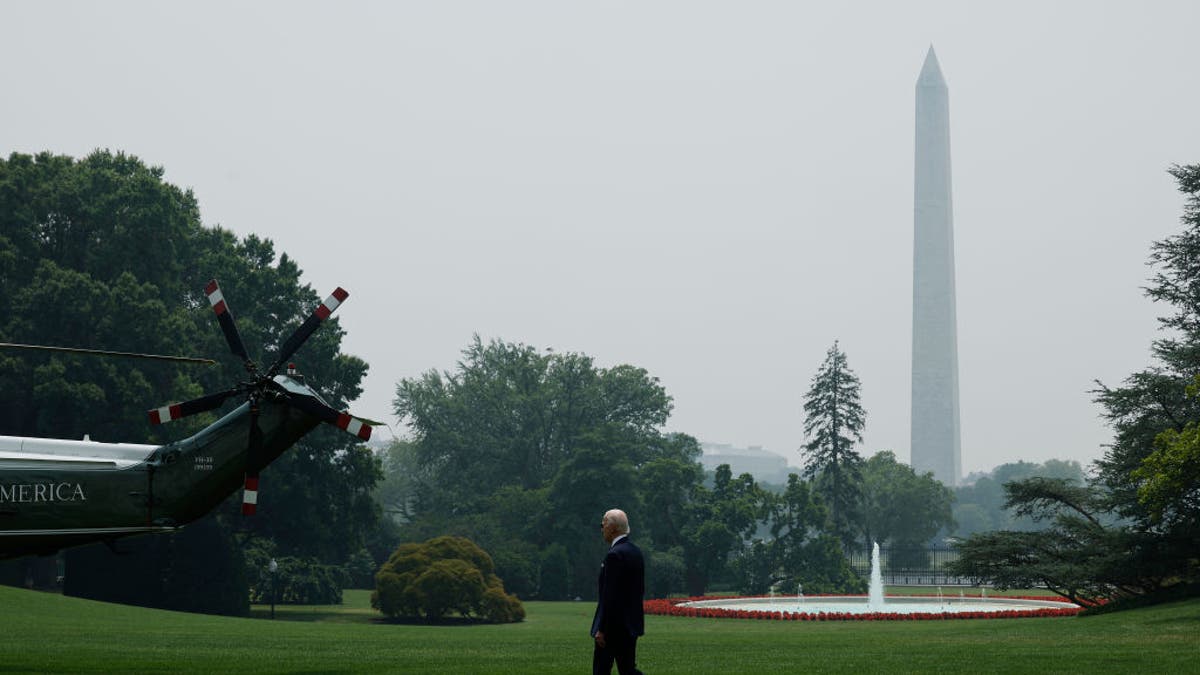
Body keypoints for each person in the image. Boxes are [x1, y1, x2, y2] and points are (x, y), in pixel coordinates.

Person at [590, 508, 645, 675]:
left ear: (612, 528)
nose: (601, 528)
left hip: (612, 629)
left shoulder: (614, 555)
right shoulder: (636, 552)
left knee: (601, 671)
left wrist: (602, 628)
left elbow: (610, 596)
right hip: (631, 626)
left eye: (603, 524)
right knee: (628, 670)